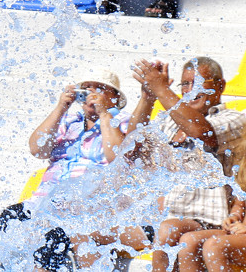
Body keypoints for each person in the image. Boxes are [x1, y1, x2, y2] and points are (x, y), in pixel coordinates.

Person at [73, 58, 246, 271]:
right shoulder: (169, 121)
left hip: (204, 218)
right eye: (185, 84)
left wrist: (161, 88)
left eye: (199, 82)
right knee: (83, 235)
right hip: (161, 218)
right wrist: (148, 97)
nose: (191, 89)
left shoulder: (234, 118)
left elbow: (202, 133)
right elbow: (130, 153)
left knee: (169, 230)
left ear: (219, 86)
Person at [0, 70, 129, 271]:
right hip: (44, 204)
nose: (90, 93)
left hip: (83, 209)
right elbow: (37, 149)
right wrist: (61, 107)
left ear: (114, 97)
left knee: (54, 234)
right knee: (10, 216)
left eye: (98, 89)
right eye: (87, 88)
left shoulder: (121, 121)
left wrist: (103, 114)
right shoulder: (70, 120)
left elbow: (117, 156)